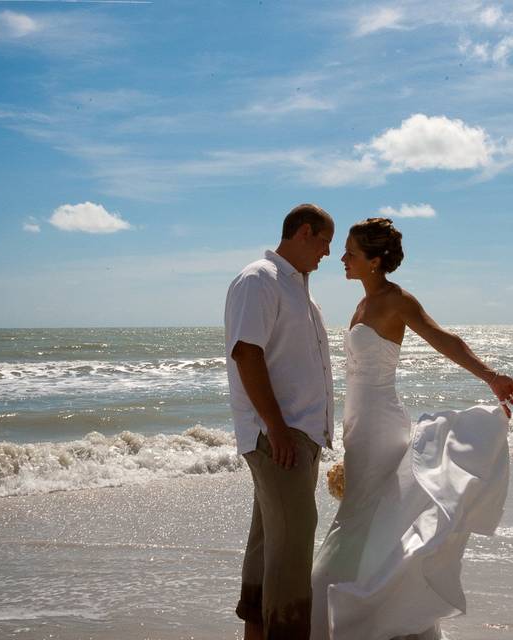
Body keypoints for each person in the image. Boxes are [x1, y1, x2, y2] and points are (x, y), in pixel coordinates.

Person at [310, 217, 513, 640]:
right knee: (369, 521)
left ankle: (348, 604)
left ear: (374, 260)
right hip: (360, 428)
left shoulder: (396, 300)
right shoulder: (362, 303)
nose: (342, 258)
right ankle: (378, 608)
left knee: (364, 521)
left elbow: (444, 339)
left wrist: (491, 376)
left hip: (381, 425)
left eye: (350, 252)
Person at [224, 203, 335, 639]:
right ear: (304, 233)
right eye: (324, 241)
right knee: (291, 553)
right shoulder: (260, 279)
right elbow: (246, 353)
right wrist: (277, 427)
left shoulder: (300, 291)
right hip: (280, 437)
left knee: (270, 545)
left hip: (295, 435)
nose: (327, 252)